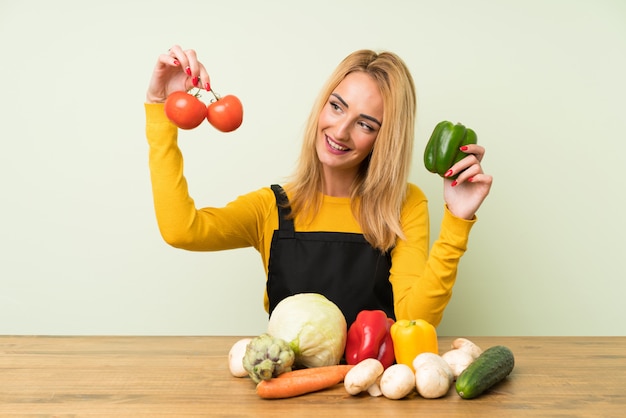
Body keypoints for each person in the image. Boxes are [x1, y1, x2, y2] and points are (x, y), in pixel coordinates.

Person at [144, 45, 492, 327]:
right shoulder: (272, 208)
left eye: (366, 125)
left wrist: (456, 221)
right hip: (288, 401)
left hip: (376, 396)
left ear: (385, 140)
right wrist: (162, 109)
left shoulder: (403, 205)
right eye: (337, 107)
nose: (340, 131)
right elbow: (181, 231)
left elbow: (415, 320)